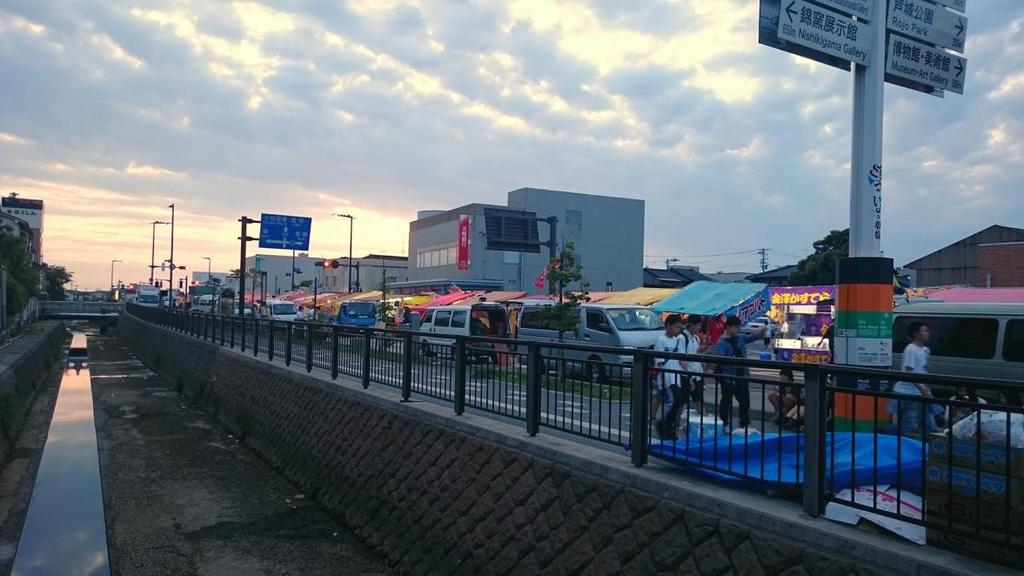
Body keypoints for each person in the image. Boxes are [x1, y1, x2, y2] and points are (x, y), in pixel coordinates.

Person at [712, 316, 766, 434]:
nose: (738, 330)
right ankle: (724, 423)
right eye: (736, 327)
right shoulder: (721, 343)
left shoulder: (739, 338)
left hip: (742, 375)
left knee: (744, 401)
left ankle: (744, 424)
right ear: (729, 327)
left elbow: (750, 338)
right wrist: (734, 365)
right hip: (728, 377)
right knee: (726, 400)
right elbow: (720, 361)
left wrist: (761, 332)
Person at [888, 322, 943, 435]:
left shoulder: (925, 350)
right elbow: (910, 373)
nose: (928, 333)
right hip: (908, 392)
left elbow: (922, 371)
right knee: (911, 423)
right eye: (925, 331)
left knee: (928, 419)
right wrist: (923, 390)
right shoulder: (911, 350)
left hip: (919, 391)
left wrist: (925, 389)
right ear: (916, 334)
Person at [651, 314, 685, 440]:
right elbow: (659, 362)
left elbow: (681, 359)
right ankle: (661, 425)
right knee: (670, 403)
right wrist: (664, 380)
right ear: (669, 326)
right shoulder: (661, 341)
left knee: (676, 404)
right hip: (666, 378)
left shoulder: (677, 340)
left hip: (676, 376)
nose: (677, 330)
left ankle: (668, 429)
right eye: (676, 327)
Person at [677, 314, 708, 420]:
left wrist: (705, 348)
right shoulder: (682, 338)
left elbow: (695, 351)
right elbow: (682, 359)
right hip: (686, 376)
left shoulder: (695, 338)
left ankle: (703, 426)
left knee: (700, 402)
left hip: (697, 374)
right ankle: (674, 426)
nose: (700, 328)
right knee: (681, 403)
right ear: (692, 325)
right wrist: (689, 378)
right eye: (699, 325)